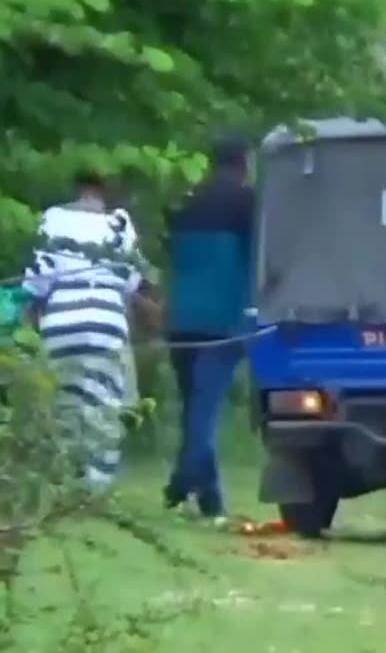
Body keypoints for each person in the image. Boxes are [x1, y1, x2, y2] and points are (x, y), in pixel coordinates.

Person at [22, 170, 151, 491]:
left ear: (76, 187)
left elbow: (38, 279)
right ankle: (97, 485)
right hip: (107, 319)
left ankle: (65, 480)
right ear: (105, 191)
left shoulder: (53, 219)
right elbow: (131, 281)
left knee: (67, 403)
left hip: (63, 317)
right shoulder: (119, 223)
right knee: (105, 405)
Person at [162, 135, 255, 521]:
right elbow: (256, 258)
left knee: (195, 408)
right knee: (205, 409)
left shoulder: (186, 200)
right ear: (245, 162)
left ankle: (210, 499)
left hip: (181, 319)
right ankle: (182, 479)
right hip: (223, 319)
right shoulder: (248, 202)